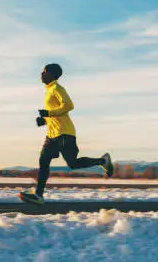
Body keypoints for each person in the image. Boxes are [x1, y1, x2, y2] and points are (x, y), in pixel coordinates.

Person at [19, 63, 114, 205]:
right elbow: (57, 113)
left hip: (65, 133)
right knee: (43, 161)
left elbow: (69, 105)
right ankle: (38, 195)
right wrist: (44, 120)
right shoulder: (49, 91)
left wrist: (49, 113)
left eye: (44, 71)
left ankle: (102, 161)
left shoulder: (57, 88)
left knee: (73, 164)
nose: (41, 74)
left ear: (51, 74)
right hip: (52, 134)